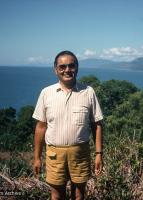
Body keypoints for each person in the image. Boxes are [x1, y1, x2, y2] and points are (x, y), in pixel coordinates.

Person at [33, 50, 103, 200]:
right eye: (62, 66)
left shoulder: (88, 92)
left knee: (79, 195)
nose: (67, 70)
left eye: (71, 66)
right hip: (54, 155)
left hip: (80, 153)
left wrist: (99, 154)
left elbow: (97, 125)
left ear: (77, 67)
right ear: (55, 70)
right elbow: (40, 127)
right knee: (57, 196)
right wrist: (37, 158)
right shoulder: (46, 93)